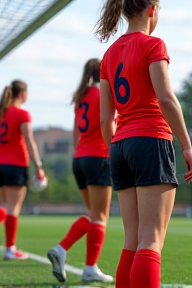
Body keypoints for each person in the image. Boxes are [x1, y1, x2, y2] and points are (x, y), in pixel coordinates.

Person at [95, 1, 192, 287]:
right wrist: (187, 146)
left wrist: (113, 152)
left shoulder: (109, 54)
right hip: (150, 140)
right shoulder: (153, 44)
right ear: (152, 9)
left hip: (120, 146)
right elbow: (165, 99)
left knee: (132, 241)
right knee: (151, 240)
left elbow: (106, 119)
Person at [47, 59, 113, 283]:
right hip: (98, 156)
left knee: (94, 215)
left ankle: (63, 250)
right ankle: (88, 267)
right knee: (100, 217)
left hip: (80, 158)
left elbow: (76, 134)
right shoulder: (102, 93)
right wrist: (113, 150)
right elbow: (107, 121)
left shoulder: (80, 98)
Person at [0, 80, 45, 260]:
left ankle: (9, 249)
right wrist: (38, 166)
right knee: (11, 207)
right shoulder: (22, 114)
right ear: (23, 95)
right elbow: (29, 139)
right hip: (15, 164)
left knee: (7, 207)